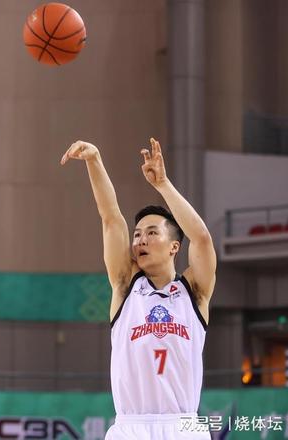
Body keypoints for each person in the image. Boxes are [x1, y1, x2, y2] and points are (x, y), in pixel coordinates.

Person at [61, 138, 216, 439]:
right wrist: (95, 161)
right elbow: (110, 219)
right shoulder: (126, 285)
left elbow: (202, 239)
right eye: (137, 234)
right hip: (131, 426)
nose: (141, 240)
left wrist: (163, 185)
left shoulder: (194, 291)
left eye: (152, 233)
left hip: (183, 426)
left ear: (174, 246)